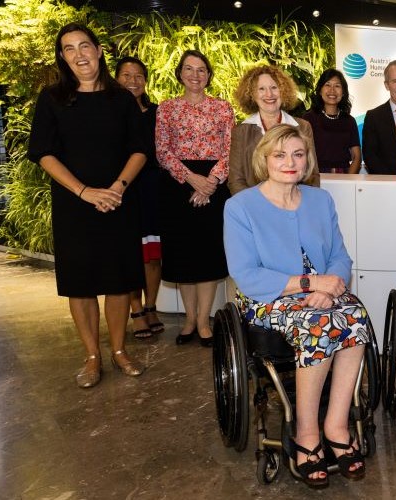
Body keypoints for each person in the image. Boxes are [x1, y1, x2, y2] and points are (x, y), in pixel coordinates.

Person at [224, 125, 369, 488]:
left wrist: (329, 289)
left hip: (322, 295)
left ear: (307, 161)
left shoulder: (320, 200)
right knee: (320, 325)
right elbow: (246, 274)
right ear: (264, 159)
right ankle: (305, 433)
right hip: (268, 298)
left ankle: (336, 423)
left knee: (355, 315)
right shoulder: (241, 206)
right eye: (280, 155)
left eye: (298, 154)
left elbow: (340, 257)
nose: (290, 162)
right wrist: (310, 284)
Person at [27, 23, 146, 388]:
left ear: (97, 50)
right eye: (69, 49)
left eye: (84, 46)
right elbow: (43, 154)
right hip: (73, 205)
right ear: (62, 57)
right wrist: (84, 191)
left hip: (118, 201)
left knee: (118, 280)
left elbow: (140, 149)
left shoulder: (121, 98)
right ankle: (92, 356)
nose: (79, 55)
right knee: (80, 284)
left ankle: (119, 351)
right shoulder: (52, 99)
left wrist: (116, 188)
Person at [155, 49, 235, 347]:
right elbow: (162, 151)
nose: (195, 75)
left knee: (207, 254)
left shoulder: (223, 108)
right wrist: (192, 180)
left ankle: (204, 322)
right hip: (178, 185)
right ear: (180, 73)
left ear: (209, 75)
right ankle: (189, 319)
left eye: (201, 69)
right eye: (189, 69)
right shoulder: (166, 109)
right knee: (183, 256)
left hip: (214, 183)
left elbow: (230, 149)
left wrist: (210, 182)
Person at [115, 56, 164, 340]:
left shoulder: (157, 112)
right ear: (117, 77)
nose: (133, 81)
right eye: (126, 75)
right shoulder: (108, 112)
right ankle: (135, 310)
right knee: (130, 253)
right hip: (122, 189)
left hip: (151, 187)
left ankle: (151, 306)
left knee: (153, 254)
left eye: (138, 76)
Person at [228, 65, 317, 195]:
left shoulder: (303, 127)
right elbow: (235, 180)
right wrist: (256, 207)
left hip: (294, 205)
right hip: (255, 208)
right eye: (261, 89)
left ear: (283, 91)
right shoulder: (241, 132)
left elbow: (312, 175)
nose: (269, 94)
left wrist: (299, 204)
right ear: (252, 95)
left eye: (274, 87)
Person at [302, 68, 362, 174]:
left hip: (344, 175)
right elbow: (301, 154)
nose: (332, 90)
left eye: (337, 86)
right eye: (328, 85)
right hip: (315, 176)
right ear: (320, 90)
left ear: (343, 92)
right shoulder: (308, 119)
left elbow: (357, 157)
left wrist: (348, 181)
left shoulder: (350, 121)